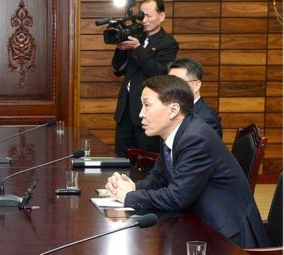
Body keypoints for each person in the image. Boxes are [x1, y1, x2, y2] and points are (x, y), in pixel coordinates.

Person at [105, 75, 269, 248]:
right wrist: (133, 187)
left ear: (173, 110)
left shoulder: (195, 138)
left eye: (147, 105)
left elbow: (177, 197)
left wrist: (130, 197)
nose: (140, 113)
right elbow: (159, 178)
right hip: (198, 222)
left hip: (225, 235)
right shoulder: (173, 132)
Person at [112, 0, 179, 157]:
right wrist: (121, 49)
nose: (144, 20)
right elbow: (117, 70)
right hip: (125, 111)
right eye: (141, 16)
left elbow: (157, 72)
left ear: (161, 16)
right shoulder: (135, 37)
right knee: (122, 160)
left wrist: (137, 49)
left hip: (148, 112)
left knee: (147, 159)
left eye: (148, 16)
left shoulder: (168, 43)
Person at [168, 57, 222, 137]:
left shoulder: (206, 119)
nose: (172, 87)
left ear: (196, 85)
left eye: (179, 82)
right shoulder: (171, 110)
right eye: (169, 82)